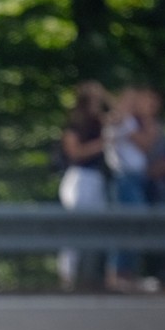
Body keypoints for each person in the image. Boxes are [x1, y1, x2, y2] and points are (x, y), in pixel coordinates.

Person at [103, 86, 165, 290]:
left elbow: (150, 141)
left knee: (136, 226)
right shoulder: (122, 120)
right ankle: (117, 275)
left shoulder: (134, 122)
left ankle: (127, 275)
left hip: (137, 179)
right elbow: (145, 143)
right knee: (128, 224)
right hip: (125, 179)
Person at [57, 81, 109, 290]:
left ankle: (90, 278)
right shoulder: (75, 125)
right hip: (80, 178)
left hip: (97, 179)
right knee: (74, 231)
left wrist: (105, 95)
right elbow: (75, 153)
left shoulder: (101, 122)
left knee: (98, 229)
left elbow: (121, 117)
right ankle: (67, 279)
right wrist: (102, 144)